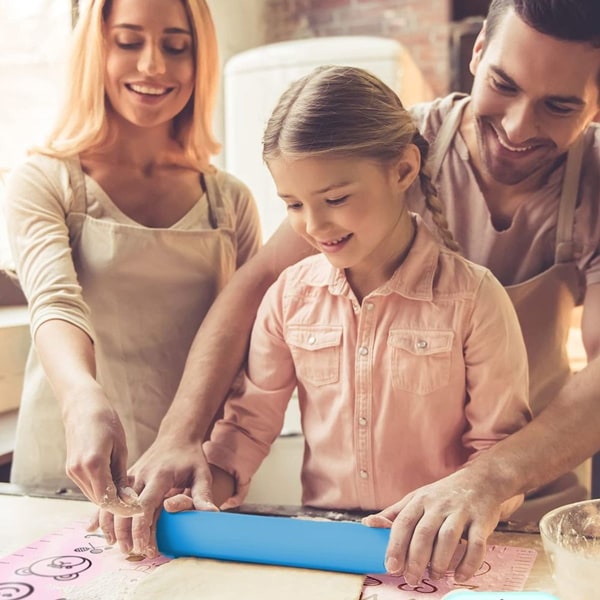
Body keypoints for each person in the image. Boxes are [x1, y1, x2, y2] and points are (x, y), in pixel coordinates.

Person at [85, 0, 600, 583]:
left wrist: (486, 481)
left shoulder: (483, 287)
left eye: (559, 106)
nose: (516, 128)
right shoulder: (379, 147)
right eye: (503, 85)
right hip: (346, 541)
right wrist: (184, 442)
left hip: (517, 515)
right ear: (477, 54)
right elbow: (255, 292)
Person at [201, 64, 531, 525]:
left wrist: (460, 509)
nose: (314, 226)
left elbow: (497, 453)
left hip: (437, 546)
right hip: (328, 545)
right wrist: (199, 494)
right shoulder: (288, 298)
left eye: (335, 199)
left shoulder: (475, 300)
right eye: (293, 205)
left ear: (402, 170)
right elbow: (245, 429)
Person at [3, 0, 261, 525]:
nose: (152, 66)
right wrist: (81, 400)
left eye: (175, 46)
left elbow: (253, 342)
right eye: (128, 41)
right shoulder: (44, 180)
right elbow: (55, 302)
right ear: (95, 50)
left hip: (191, 481)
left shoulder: (230, 200)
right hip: (67, 472)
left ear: (199, 59)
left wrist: (227, 458)